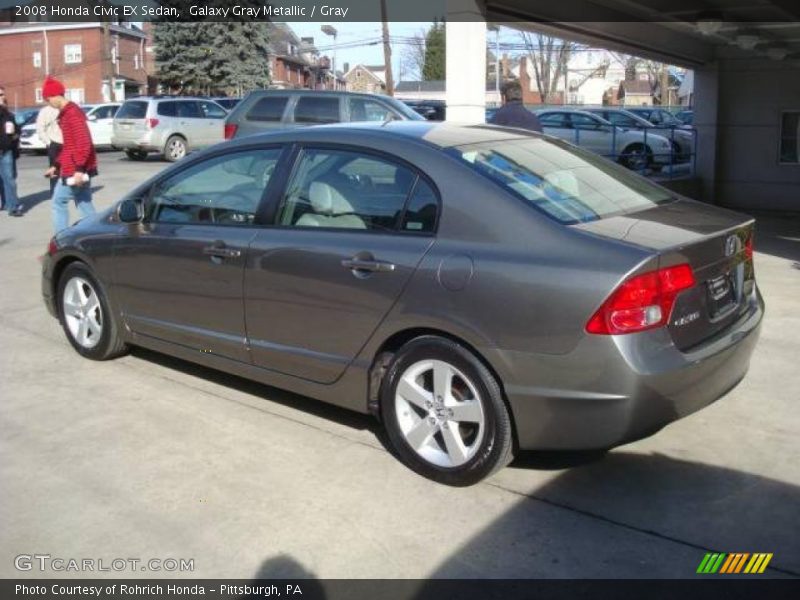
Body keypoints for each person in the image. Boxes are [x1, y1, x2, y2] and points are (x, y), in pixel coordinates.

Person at [41, 76, 98, 233]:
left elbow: (84, 143)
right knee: (84, 202)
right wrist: (56, 166)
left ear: (54, 96)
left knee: (58, 202)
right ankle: (95, 233)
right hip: (76, 166)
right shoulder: (68, 113)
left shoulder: (71, 114)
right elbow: (69, 146)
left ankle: (62, 238)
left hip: (75, 169)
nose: (48, 103)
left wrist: (79, 169)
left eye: (48, 99)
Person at [0, 85, 22, 216]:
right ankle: (5, 203)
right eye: (0, 95)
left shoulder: (8, 114)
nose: (3, 97)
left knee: (9, 178)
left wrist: (15, 134)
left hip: (6, 150)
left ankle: (13, 206)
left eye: (3, 94)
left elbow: (17, 130)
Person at [36, 102, 63, 196]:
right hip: (54, 143)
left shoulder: (64, 108)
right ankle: (55, 191)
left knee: (69, 167)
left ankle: (69, 191)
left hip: (67, 142)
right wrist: (48, 142)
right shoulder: (45, 111)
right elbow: (40, 128)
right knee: (54, 169)